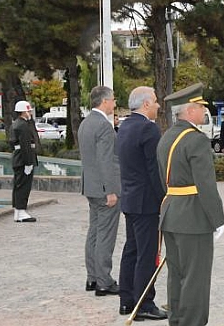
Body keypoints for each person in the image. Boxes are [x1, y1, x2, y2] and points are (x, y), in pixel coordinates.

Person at [156, 83, 224, 326]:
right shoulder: (196, 140)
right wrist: (218, 220)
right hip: (194, 218)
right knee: (195, 278)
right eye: (200, 107)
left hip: (171, 214)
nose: (203, 112)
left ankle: (176, 320)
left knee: (176, 275)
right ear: (190, 110)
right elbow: (206, 185)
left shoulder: (167, 136)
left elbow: (162, 178)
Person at [115, 87, 167, 320]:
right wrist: (164, 198)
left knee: (131, 250)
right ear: (146, 104)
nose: (158, 106)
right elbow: (154, 170)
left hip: (130, 199)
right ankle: (144, 303)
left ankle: (127, 301)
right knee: (146, 254)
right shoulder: (148, 129)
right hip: (146, 203)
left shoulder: (124, 126)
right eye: (155, 102)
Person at [78, 86, 122, 296]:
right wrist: (111, 190)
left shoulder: (85, 123)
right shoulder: (103, 126)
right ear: (104, 102)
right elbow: (106, 161)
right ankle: (104, 281)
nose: (114, 104)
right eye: (113, 100)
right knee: (105, 235)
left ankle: (92, 278)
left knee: (94, 232)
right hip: (104, 189)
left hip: (91, 186)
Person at [9, 100, 38, 222]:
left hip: (18, 158)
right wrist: (28, 163)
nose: (29, 112)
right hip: (23, 159)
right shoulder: (23, 126)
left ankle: (18, 211)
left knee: (18, 185)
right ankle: (21, 211)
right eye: (28, 110)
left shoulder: (15, 124)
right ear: (23, 112)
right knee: (23, 186)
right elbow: (26, 145)